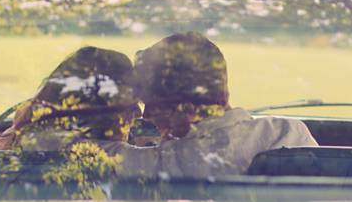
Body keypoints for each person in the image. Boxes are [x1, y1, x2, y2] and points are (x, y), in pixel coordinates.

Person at [122, 31, 318, 179]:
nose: (145, 115)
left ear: (187, 111)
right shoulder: (289, 133)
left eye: (153, 105)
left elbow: (98, 154)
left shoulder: (169, 161)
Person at [0, 46, 140, 151]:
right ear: (105, 107)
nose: (139, 113)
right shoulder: (109, 155)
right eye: (131, 104)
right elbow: (160, 162)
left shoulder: (17, 139)